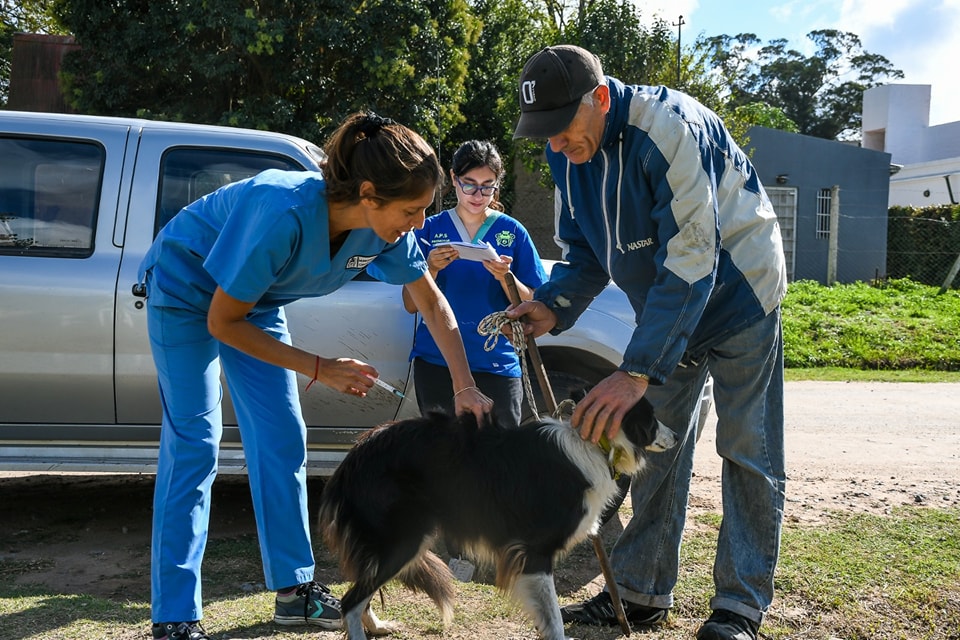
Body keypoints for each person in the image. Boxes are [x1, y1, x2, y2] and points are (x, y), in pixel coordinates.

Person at [139, 112, 492, 640]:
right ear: (369, 193)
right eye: (412, 210)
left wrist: (465, 385)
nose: (419, 224)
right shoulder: (283, 211)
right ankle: (175, 615)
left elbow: (432, 303)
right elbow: (221, 320)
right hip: (187, 291)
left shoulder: (386, 233)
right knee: (196, 442)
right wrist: (321, 368)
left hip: (254, 304)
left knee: (282, 437)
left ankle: (295, 593)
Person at [509, 45, 787, 640]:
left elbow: (693, 256)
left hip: (740, 295)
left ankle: (739, 607)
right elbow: (583, 247)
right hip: (670, 309)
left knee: (748, 450)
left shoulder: (670, 130)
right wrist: (552, 307)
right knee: (654, 448)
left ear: (600, 98)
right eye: (545, 135)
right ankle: (640, 592)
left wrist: (636, 371)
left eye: (560, 129)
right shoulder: (568, 150)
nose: (555, 146)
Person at [403, 140, 548, 427]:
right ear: (454, 179)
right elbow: (410, 304)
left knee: (499, 459)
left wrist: (505, 277)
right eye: (469, 184)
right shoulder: (428, 228)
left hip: (496, 363)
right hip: (436, 362)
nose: (477, 194)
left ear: (497, 185)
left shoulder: (512, 231)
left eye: (487, 185)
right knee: (444, 460)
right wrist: (431, 267)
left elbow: (534, 301)